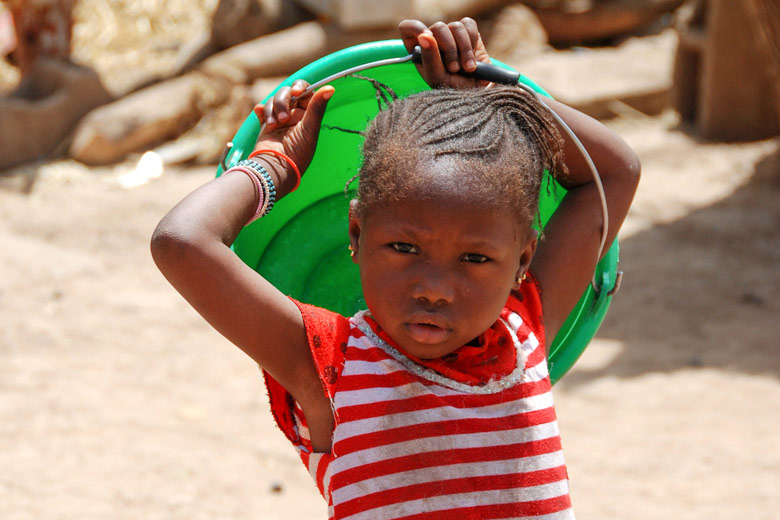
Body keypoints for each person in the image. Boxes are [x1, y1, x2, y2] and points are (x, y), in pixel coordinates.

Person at [151, 18, 640, 520]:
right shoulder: (330, 367)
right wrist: (273, 167)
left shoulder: (523, 334)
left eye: (474, 258)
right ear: (357, 235)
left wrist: (497, 100)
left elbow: (614, 172)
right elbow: (181, 242)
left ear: (522, 262)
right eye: (405, 247)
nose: (434, 288)